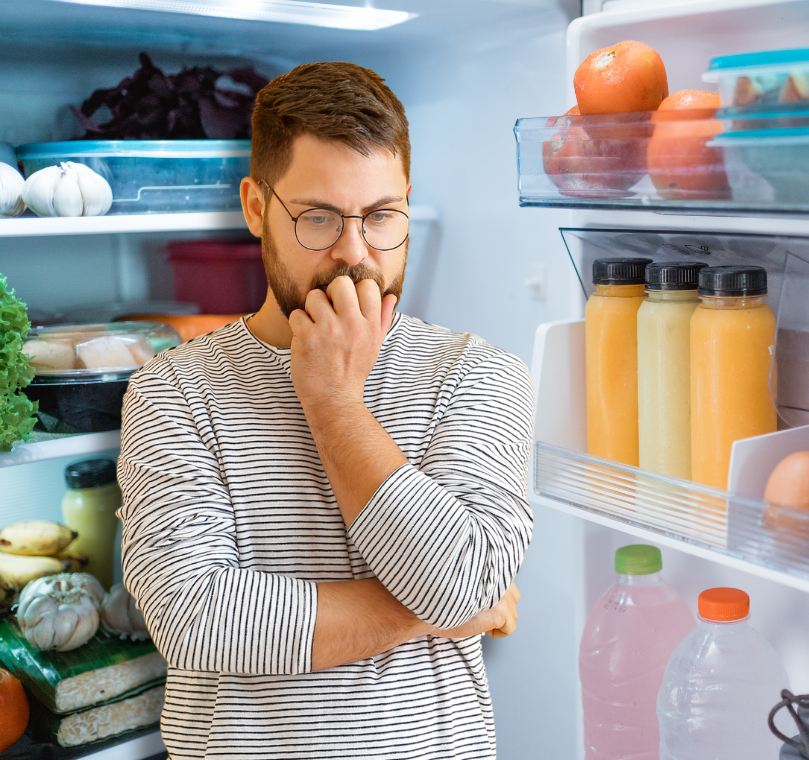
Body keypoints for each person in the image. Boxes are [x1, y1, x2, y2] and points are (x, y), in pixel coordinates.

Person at [116, 61, 533, 759]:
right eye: (317, 218)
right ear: (255, 208)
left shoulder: (476, 374)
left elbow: (463, 586)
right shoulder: (171, 394)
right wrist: (441, 611)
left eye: (381, 217)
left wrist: (335, 403)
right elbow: (197, 618)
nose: (354, 253)